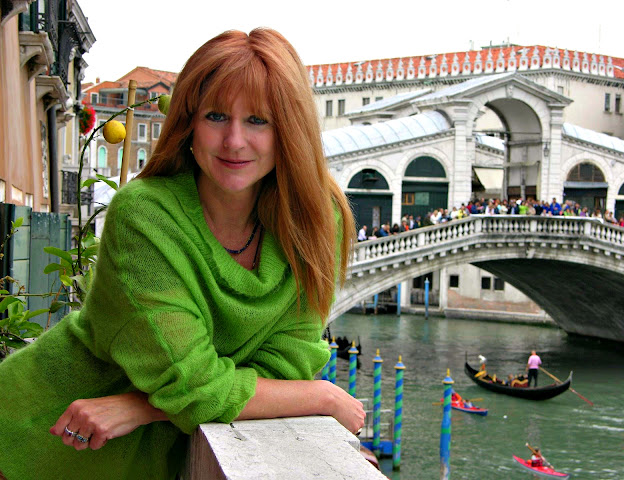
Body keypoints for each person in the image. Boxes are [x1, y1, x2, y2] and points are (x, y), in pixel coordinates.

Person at [0, 28, 365, 480]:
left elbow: (287, 363)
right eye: (215, 116)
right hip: (34, 438)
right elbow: (192, 386)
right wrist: (323, 397)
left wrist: (142, 406)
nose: (234, 141)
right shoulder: (146, 215)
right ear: (189, 122)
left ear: (289, 129)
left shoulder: (314, 219)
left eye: (257, 120)